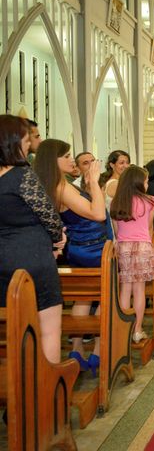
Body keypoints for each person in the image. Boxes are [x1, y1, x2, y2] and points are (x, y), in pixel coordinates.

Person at [33, 139, 108, 375]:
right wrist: (94, 183)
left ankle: (77, 349)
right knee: (102, 298)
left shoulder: (53, 184)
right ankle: (97, 352)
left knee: (83, 298)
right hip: (92, 248)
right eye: (65, 156)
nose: (70, 159)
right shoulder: (60, 186)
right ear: (52, 161)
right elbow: (97, 214)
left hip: (79, 247)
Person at [0, 115, 66, 363]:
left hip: (3, 261)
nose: (29, 146)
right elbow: (48, 214)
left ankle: (15, 383)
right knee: (48, 330)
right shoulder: (22, 176)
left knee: (12, 329)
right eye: (26, 141)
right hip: (31, 257)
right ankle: (44, 395)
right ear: (12, 143)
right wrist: (58, 238)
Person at [110, 165, 154, 343]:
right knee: (139, 290)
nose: (147, 184)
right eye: (145, 181)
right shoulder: (150, 201)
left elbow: (116, 230)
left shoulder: (117, 201)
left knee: (125, 289)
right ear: (138, 182)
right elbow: (148, 226)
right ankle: (137, 330)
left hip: (123, 246)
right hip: (143, 246)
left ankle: (123, 330)